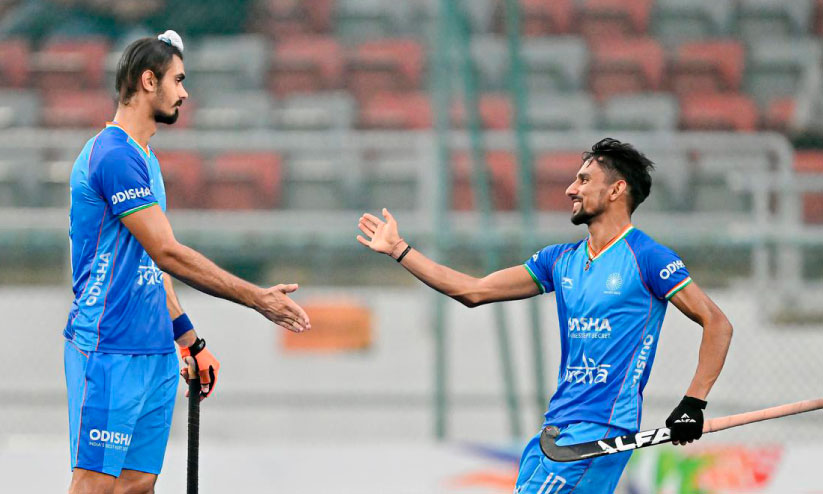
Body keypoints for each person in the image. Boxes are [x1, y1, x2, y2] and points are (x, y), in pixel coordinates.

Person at [357, 138, 733, 494]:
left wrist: (693, 403)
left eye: (584, 180)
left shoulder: (648, 257)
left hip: (599, 430)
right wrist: (400, 249)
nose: (571, 189)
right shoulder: (560, 259)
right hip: (555, 431)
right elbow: (474, 291)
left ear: (616, 190)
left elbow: (717, 323)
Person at [63, 30, 310, 494]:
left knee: (137, 484)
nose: (185, 92)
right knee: (94, 485)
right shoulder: (113, 156)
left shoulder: (146, 159)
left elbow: (149, 267)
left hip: (154, 349)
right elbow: (168, 252)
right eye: (178, 80)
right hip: (109, 349)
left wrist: (189, 340)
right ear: (148, 81)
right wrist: (257, 298)